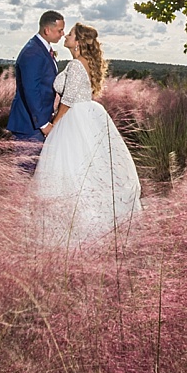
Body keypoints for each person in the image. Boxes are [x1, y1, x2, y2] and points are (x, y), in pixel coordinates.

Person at [31, 23, 142, 248]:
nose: (66, 36)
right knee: (87, 170)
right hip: (88, 116)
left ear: (78, 42)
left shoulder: (75, 65)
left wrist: (52, 126)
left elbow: (68, 101)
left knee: (71, 170)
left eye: (70, 34)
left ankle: (75, 226)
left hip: (73, 119)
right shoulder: (85, 64)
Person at [7, 10, 65, 174]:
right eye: (59, 30)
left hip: (37, 122)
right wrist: (43, 124)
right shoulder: (33, 52)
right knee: (26, 173)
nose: (62, 34)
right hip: (29, 124)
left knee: (35, 172)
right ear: (47, 30)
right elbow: (31, 90)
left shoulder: (42, 49)